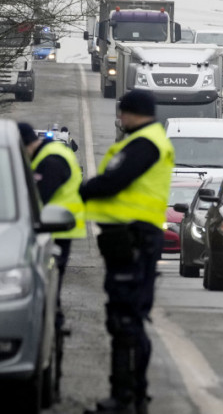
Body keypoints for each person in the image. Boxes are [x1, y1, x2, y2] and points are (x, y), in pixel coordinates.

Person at [80, 90, 174, 414]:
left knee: (126, 320)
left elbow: (115, 181)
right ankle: (130, 395)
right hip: (128, 240)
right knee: (125, 318)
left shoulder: (145, 144)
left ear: (134, 113)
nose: (119, 118)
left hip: (135, 240)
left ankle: (126, 398)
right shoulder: (143, 141)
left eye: (122, 113)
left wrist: (84, 189)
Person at [19, 122, 85, 388]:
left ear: (26, 145)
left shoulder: (52, 160)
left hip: (56, 232)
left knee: (48, 291)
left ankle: (53, 337)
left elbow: (40, 199)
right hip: (50, 231)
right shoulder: (48, 155)